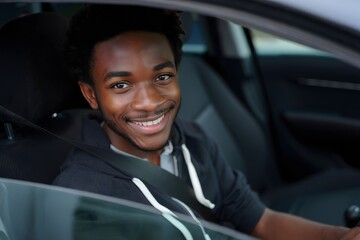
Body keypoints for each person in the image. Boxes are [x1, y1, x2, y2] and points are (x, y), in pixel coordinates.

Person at [53, 4, 360, 239]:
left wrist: (342, 236)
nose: (149, 102)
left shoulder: (192, 139)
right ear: (91, 95)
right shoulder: (81, 196)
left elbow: (260, 220)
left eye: (162, 76)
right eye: (121, 85)